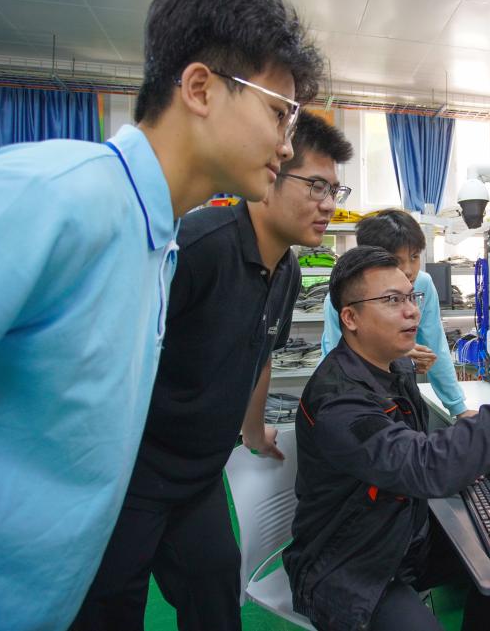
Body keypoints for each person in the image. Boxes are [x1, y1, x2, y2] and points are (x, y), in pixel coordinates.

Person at [0, 0, 322, 631]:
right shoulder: (57, 197)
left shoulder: (156, 241)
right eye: (278, 112)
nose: (288, 143)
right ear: (201, 88)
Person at [73, 111, 353, 630]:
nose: (329, 204)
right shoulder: (197, 247)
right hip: (131, 473)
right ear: (270, 174)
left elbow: (260, 354)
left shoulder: (288, 271)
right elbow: (106, 354)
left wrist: (253, 431)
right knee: (109, 608)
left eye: (335, 190)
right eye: (316, 186)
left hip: (197, 475)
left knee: (216, 592)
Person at [284, 245, 490, 631]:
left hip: (398, 533)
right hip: (347, 566)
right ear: (350, 317)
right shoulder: (339, 401)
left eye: (411, 297)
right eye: (392, 300)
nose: (411, 311)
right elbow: (428, 468)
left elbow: (418, 451)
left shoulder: (390, 368)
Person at [321, 209, 475, 418]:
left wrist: (458, 408)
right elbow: (338, 358)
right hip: (347, 391)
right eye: (396, 259)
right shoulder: (342, 296)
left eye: (414, 257)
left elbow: (436, 344)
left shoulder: (422, 284)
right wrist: (399, 354)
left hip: (396, 385)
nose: (409, 270)